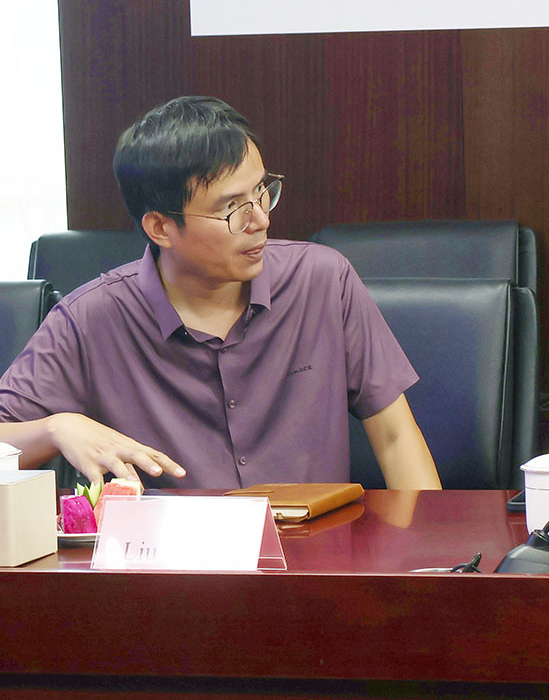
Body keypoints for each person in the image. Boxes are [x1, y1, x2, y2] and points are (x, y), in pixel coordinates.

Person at [0, 96, 441, 490]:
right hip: (173, 555)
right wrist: (56, 428)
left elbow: (396, 436)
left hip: (319, 549)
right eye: (232, 209)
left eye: (262, 192)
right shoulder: (90, 319)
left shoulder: (323, 281)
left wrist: (431, 553)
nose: (261, 220)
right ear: (161, 227)